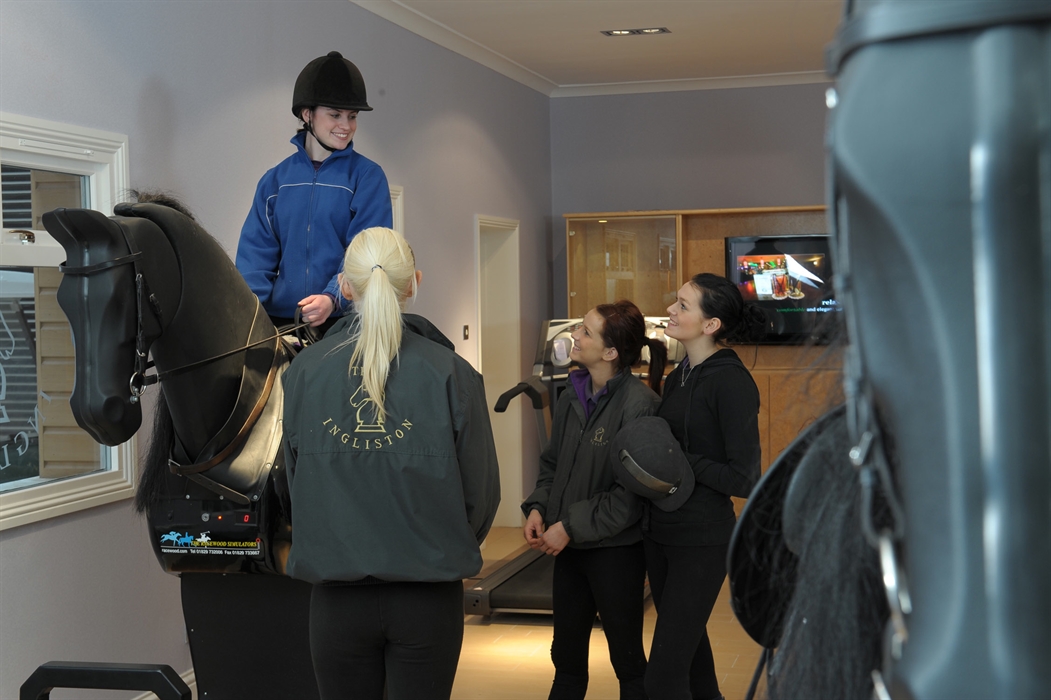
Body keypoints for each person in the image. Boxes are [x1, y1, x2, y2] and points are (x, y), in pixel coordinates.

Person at [280, 226, 500, 700]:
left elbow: (294, 484)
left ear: (344, 287)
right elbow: (481, 495)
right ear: (413, 283)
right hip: (428, 597)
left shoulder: (303, 373)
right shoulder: (453, 374)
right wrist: (436, 541)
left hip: (336, 603)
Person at [522, 300, 668, 700]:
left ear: (610, 352)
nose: (575, 335)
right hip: (569, 553)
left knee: (628, 664)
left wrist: (569, 526)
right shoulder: (571, 395)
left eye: (586, 331)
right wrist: (537, 506)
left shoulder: (641, 406)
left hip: (616, 554)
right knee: (566, 661)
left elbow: (631, 497)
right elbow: (552, 464)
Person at [644, 272, 765, 700]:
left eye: (683, 305)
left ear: (711, 324)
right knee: (691, 661)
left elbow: (745, 477)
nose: (671, 310)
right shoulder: (680, 374)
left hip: (703, 540)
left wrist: (681, 461)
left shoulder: (731, 381)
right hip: (662, 533)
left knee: (662, 677)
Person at [236, 51, 393, 332]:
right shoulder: (274, 182)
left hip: (342, 324)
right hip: (280, 325)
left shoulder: (368, 177)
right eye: (335, 115)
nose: (346, 126)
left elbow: (368, 256)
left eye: (352, 116)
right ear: (307, 114)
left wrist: (333, 298)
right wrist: (250, 316)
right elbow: (254, 258)